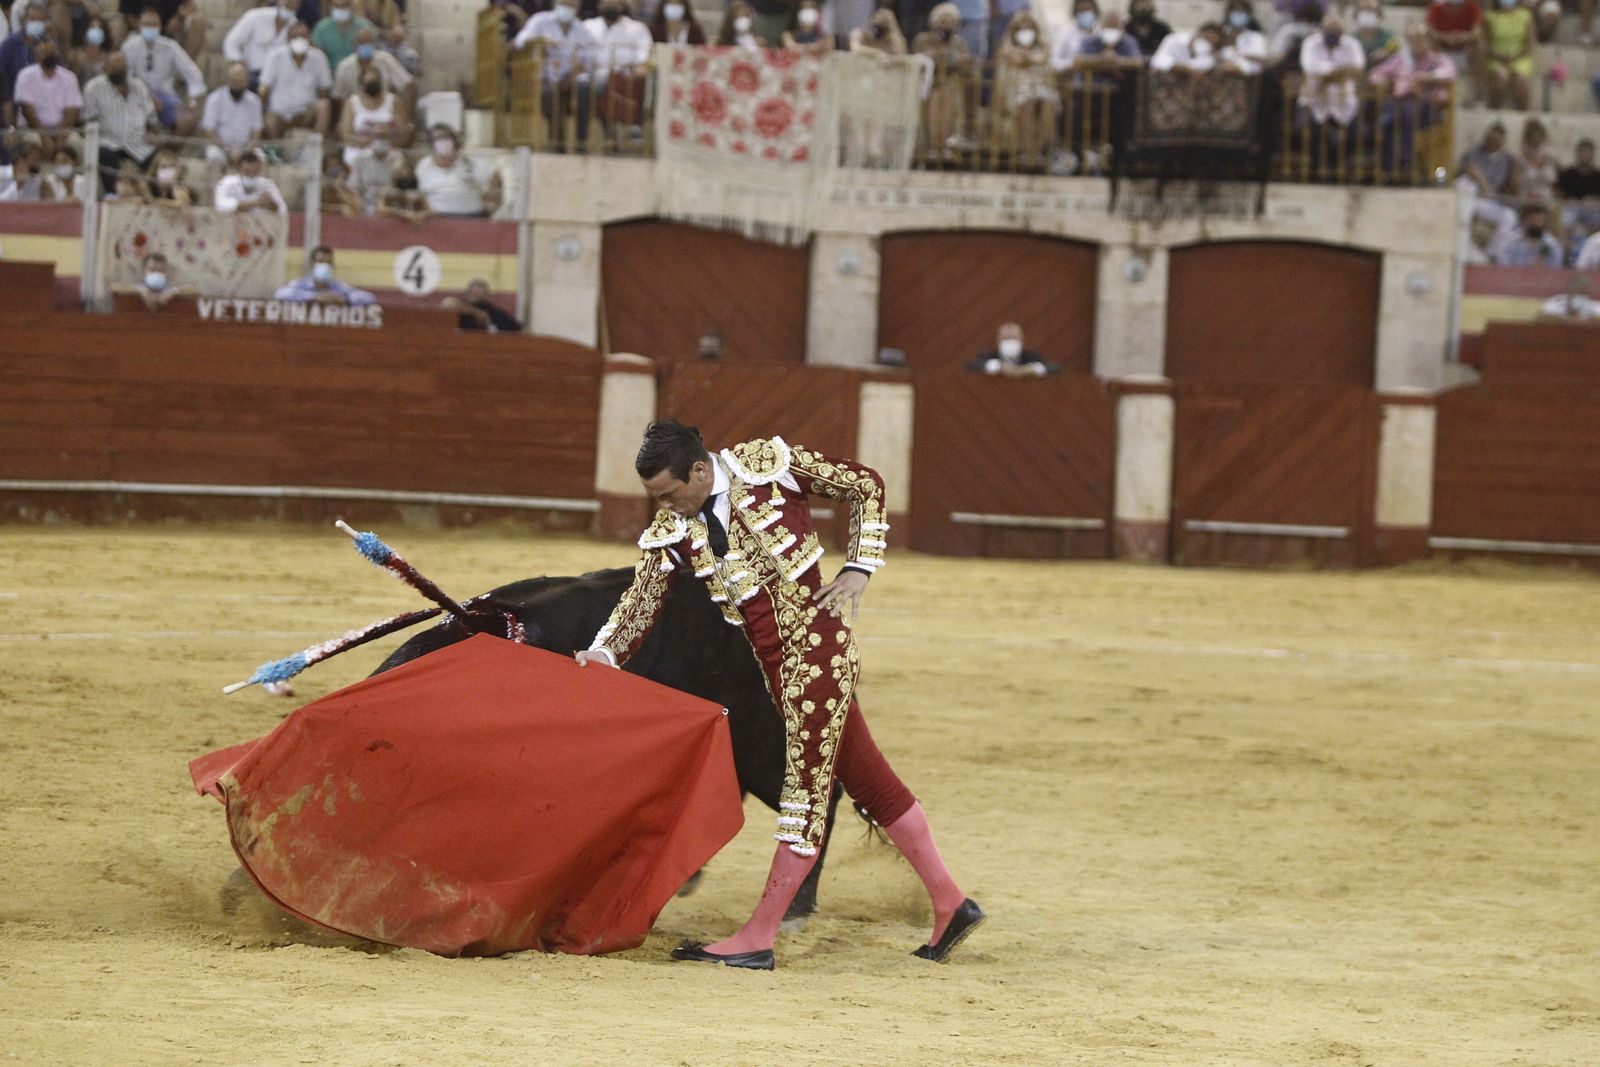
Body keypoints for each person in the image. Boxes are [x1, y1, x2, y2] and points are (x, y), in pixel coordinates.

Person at [576, 421, 983, 970]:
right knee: (874, 784)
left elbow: (865, 484)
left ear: (699, 470)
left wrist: (860, 568)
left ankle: (759, 936)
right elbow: (641, 599)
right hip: (778, 669)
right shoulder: (674, 528)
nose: (667, 508)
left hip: (817, 656)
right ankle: (951, 904)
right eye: (657, 499)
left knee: (804, 800)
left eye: (671, 494)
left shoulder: (767, 468)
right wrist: (604, 653)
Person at [1368, 23, 1455, 175]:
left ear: (1429, 41)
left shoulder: (1438, 60)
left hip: (1427, 108)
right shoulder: (1401, 59)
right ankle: (1387, 169)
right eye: (1412, 40)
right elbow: (1375, 74)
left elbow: (1449, 74)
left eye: (1420, 39)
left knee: (1408, 115)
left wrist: (1425, 78)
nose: (1416, 43)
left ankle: (1406, 163)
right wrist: (1385, 81)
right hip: (1399, 105)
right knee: (1387, 120)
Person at [122, 7, 205, 134]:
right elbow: (126, 77)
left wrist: (192, 104)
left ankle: (168, 151)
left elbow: (193, 74)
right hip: (137, 97)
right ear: (139, 25)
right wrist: (147, 97)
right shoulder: (129, 47)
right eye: (147, 24)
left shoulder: (170, 46)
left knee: (188, 121)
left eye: (154, 24)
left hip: (166, 98)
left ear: (160, 26)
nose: (150, 28)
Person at [83, 51, 157, 189]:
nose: (118, 70)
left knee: (159, 158)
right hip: (109, 142)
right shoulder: (94, 88)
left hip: (138, 143)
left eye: (121, 67)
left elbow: (151, 118)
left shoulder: (139, 86)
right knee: (105, 154)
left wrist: (152, 133)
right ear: (105, 68)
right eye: (114, 67)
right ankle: (112, 194)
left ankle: (153, 196)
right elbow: (89, 120)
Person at [996, 11, 1057, 169]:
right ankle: (1027, 152)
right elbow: (1017, 59)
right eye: (1021, 29)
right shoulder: (1007, 47)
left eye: (1029, 28)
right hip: (1017, 90)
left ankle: (1041, 151)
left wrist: (1030, 58)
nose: (1026, 33)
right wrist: (1028, 58)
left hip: (1042, 89)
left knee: (1047, 104)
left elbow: (1041, 58)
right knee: (1028, 103)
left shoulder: (1044, 45)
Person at [259, 22, 331, 138]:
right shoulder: (275, 56)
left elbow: (324, 89)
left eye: (303, 36)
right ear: (288, 38)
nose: (299, 39)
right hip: (280, 114)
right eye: (295, 36)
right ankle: (278, 150)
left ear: (309, 37)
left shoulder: (319, 57)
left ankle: (316, 144)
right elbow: (265, 86)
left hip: (305, 112)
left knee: (324, 105)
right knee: (270, 120)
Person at [415, 123, 500, 215]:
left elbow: (494, 175)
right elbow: (422, 195)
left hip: (471, 217)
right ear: (431, 145)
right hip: (438, 218)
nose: (443, 142)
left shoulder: (468, 162)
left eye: (446, 138)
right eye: (437, 139)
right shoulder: (424, 165)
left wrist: (491, 201)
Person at [201, 62, 264, 178]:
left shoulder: (254, 101)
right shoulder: (214, 99)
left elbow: (256, 132)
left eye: (240, 82)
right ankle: (217, 195)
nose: (236, 85)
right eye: (234, 81)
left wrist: (246, 151)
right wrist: (228, 150)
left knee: (261, 158)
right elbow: (208, 131)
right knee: (215, 158)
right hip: (221, 147)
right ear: (228, 80)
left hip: (246, 147)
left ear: (246, 82)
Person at [12, 37, 80, 137]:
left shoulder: (69, 77)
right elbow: (27, 111)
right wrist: (44, 137)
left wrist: (61, 136)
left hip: (62, 130)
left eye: (52, 51)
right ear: (37, 56)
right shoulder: (25, 76)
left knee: (77, 145)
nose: (50, 54)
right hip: (33, 129)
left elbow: (72, 111)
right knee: (33, 146)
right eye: (45, 52)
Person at [336, 69, 410, 159]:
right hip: (359, 149)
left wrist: (383, 143)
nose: (372, 85)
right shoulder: (352, 102)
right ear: (362, 84)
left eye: (375, 81)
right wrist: (363, 142)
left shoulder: (394, 101)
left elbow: (404, 134)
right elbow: (345, 134)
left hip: (389, 149)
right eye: (369, 82)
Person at [0, 2, 51, 128]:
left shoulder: (49, 44)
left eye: (40, 20)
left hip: (45, 107)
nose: (36, 24)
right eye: (32, 19)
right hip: (15, 106)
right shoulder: (10, 45)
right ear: (24, 20)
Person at [331, 26, 412, 103]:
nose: (366, 45)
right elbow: (339, 97)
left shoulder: (386, 59)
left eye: (369, 42)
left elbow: (409, 84)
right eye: (362, 43)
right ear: (355, 45)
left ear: (374, 44)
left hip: (384, 108)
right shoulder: (344, 66)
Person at [223, 0, 295, 86]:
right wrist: (239, 63)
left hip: (278, 79)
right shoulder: (254, 16)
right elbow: (231, 42)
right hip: (252, 74)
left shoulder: (294, 24)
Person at [276, 244, 376, 304]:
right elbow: (280, 294)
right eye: (321, 261)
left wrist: (345, 299)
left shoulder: (338, 286)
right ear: (312, 264)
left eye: (329, 263)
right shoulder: (301, 284)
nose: (325, 265)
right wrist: (314, 296)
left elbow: (369, 297)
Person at [1425, 0, 1483, 103]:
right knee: (1429, 44)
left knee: (1480, 47)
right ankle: (1433, 92)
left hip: (1465, 50)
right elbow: (1430, 32)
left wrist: (1462, 37)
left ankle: (1476, 94)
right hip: (1442, 49)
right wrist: (1445, 38)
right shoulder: (1436, 7)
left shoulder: (1473, 7)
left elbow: (1477, 33)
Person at [1482, 0, 1531, 110]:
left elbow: (1529, 43)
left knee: (1521, 79)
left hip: (1520, 57)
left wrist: (1515, 55)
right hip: (1496, 58)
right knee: (1501, 77)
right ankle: (1494, 112)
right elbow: (1485, 43)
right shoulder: (1490, 16)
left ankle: (1522, 114)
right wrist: (1497, 55)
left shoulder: (1525, 15)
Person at [110, 251, 198, 308]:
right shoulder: (140, 287)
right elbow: (114, 287)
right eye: (152, 270)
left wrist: (173, 292)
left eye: (161, 271)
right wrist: (140, 290)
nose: (157, 273)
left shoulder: (168, 289)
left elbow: (194, 290)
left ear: (166, 272)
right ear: (144, 272)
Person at [214, 148, 288, 213]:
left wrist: (272, 205)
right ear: (238, 170)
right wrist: (253, 203)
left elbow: (283, 210)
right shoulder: (227, 182)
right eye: (247, 172)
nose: (251, 176)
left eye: (255, 172)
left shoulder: (267, 185)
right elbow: (220, 205)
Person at [967, 321, 1051, 375]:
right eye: (1006, 338)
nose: (1010, 342)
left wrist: (1031, 369)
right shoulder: (987, 355)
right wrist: (999, 367)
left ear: (1022, 341)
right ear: (998, 341)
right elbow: (971, 365)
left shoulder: (1033, 356)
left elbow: (1054, 367)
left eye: (1014, 338)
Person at [1492, 203, 1562, 266]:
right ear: (1524, 220)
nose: (1538, 224)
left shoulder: (1551, 244)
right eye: (1534, 220)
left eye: (1541, 220)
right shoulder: (1509, 240)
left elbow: (1556, 266)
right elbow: (1502, 264)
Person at [311, 0, 371, 73]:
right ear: (330, 7)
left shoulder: (364, 26)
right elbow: (318, 58)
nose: (341, 9)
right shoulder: (321, 29)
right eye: (337, 6)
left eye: (345, 5)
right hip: (331, 74)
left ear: (351, 6)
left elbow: (372, 52)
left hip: (359, 74)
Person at [442, 278, 522, 331]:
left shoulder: (497, 314)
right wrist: (476, 313)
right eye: (474, 294)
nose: (477, 297)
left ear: (487, 295)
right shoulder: (461, 312)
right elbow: (448, 303)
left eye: (481, 294)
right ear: (467, 294)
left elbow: (517, 329)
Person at [70, 14, 109, 83]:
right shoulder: (76, 55)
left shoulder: (107, 56)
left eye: (100, 28)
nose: (96, 31)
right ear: (86, 30)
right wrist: (79, 66)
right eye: (93, 27)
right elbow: (71, 80)